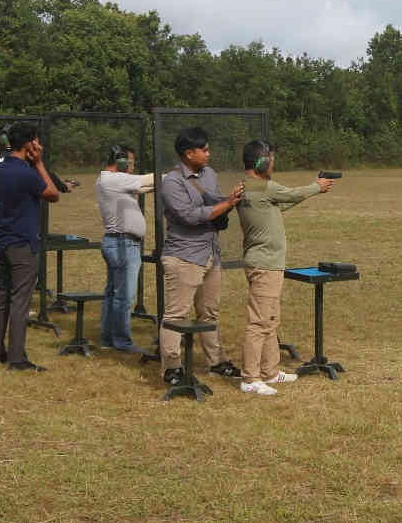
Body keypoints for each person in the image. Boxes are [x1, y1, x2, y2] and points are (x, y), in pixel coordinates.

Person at [234, 140, 334, 395]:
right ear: (262, 162)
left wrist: (311, 191)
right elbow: (289, 194)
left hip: (265, 263)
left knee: (270, 319)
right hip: (265, 265)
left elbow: (282, 203)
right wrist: (316, 187)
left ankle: (269, 371)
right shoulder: (264, 187)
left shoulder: (248, 188)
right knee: (259, 322)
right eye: (271, 160)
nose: (273, 165)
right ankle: (250, 377)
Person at [157, 127, 243, 387]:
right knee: (176, 315)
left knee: (209, 313)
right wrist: (225, 205)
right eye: (204, 150)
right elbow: (188, 216)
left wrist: (232, 198)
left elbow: (212, 200)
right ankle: (172, 368)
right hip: (183, 255)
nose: (209, 153)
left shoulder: (209, 174)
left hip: (210, 253)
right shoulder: (172, 181)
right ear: (188, 153)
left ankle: (217, 363)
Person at [0, 122, 60, 371]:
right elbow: (53, 193)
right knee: (20, 301)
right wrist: (39, 163)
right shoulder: (26, 172)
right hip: (23, 244)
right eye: (36, 141)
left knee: (3, 297)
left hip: (4, 241)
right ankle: (17, 358)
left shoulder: (2, 169)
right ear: (29, 144)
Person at [95, 144, 153, 354]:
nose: (132, 166)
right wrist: (177, 174)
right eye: (130, 162)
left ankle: (108, 337)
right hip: (123, 244)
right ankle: (121, 341)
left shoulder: (110, 180)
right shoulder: (113, 179)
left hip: (119, 242)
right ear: (120, 161)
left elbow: (143, 187)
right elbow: (148, 180)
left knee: (113, 293)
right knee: (124, 296)